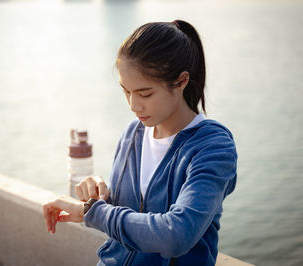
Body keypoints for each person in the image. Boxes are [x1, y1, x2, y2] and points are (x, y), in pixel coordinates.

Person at [43, 20, 237, 266]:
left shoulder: (213, 146)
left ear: (181, 81)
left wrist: (91, 212)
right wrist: (100, 197)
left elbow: (176, 235)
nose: (133, 106)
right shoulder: (133, 134)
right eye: (126, 91)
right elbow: (128, 216)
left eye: (145, 94)